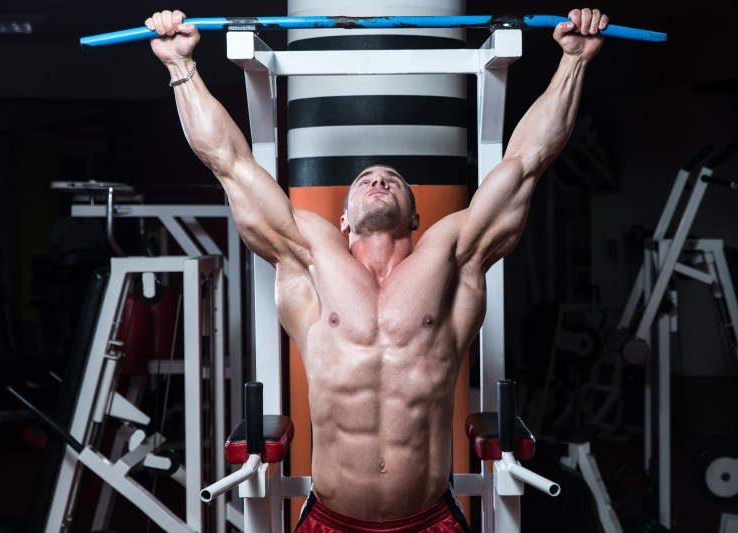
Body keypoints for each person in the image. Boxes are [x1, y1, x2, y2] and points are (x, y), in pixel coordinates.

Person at [146, 7, 608, 532]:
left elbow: (526, 162)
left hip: (429, 517)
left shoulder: (451, 256)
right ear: (343, 219)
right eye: (366, 178)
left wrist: (572, 62)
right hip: (331, 519)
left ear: (415, 214)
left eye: (392, 177)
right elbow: (230, 163)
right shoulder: (311, 256)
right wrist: (180, 65)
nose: (379, 179)